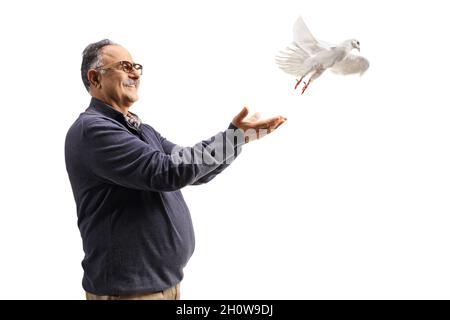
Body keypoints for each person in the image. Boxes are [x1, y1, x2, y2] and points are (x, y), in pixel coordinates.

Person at [65, 39, 286, 300]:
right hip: (128, 293)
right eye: (124, 66)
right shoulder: (93, 130)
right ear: (95, 78)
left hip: (164, 287)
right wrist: (231, 138)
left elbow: (193, 169)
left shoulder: (140, 128)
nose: (135, 72)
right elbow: (169, 172)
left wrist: (236, 139)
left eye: (136, 66)